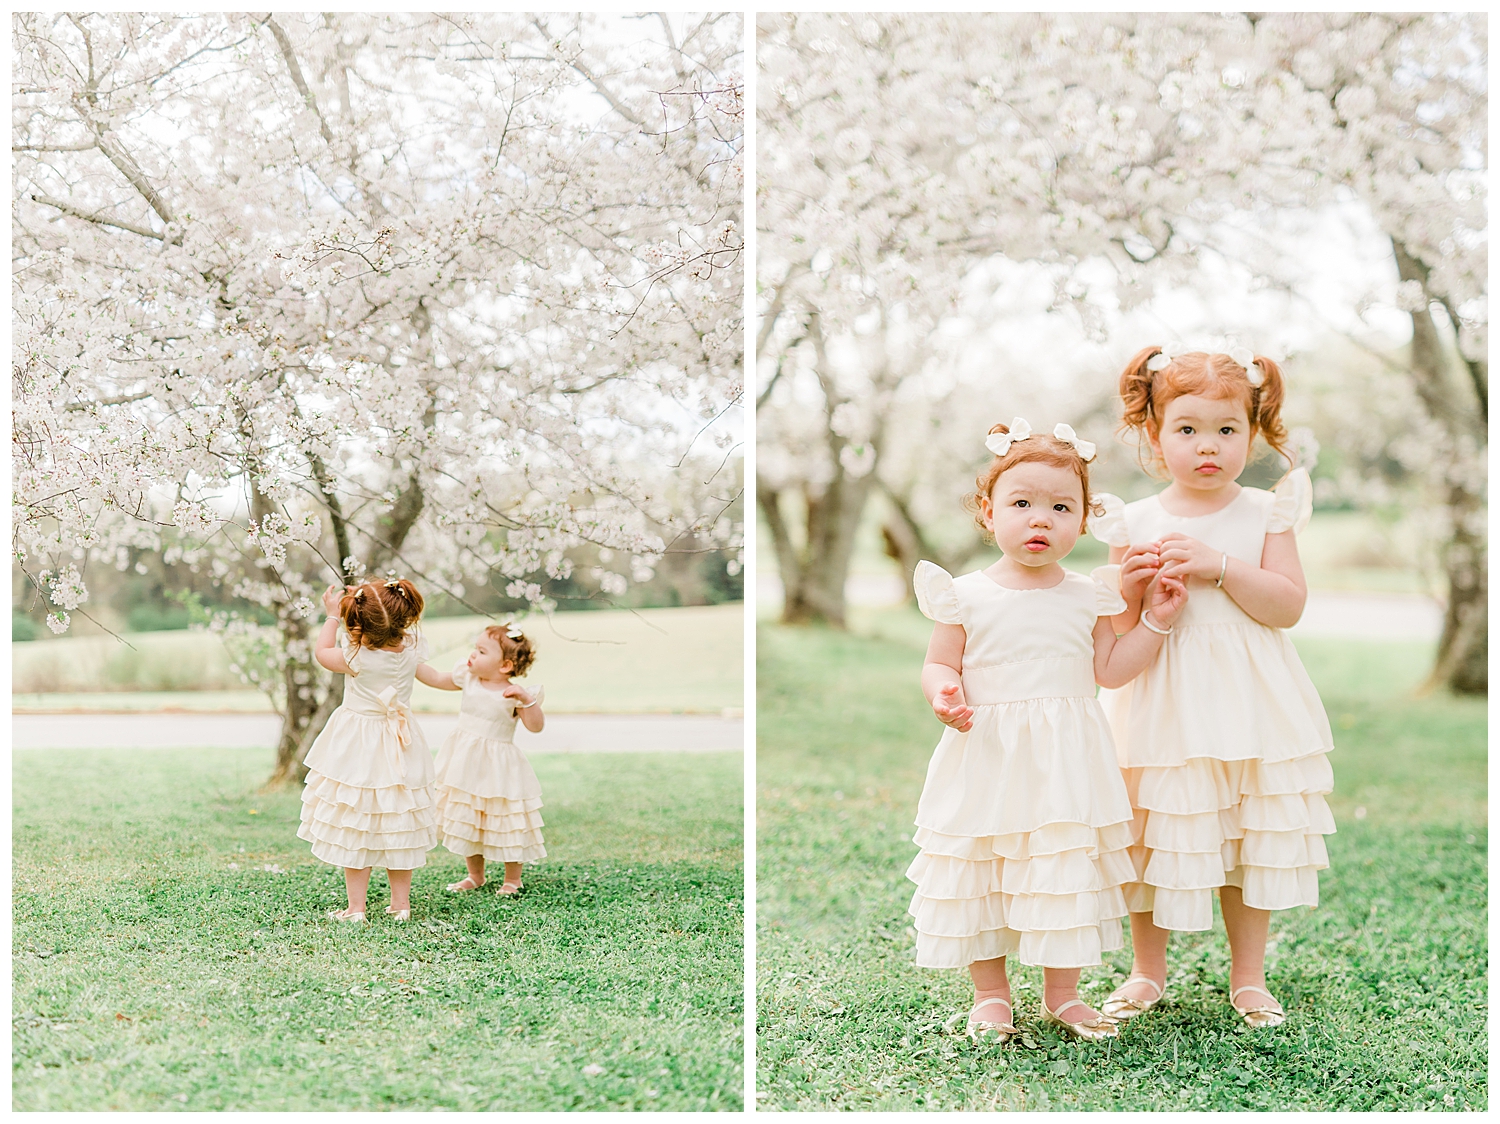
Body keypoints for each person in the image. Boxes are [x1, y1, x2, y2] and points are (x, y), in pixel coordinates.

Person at [909, 418, 1186, 1042]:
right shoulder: (965, 596)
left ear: (1084, 519)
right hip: (988, 751)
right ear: (989, 511)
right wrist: (942, 692)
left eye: (1061, 507)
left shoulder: (1090, 595)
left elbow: (1111, 670)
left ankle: (1063, 995)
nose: (1041, 519)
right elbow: (939, 662)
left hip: (1066, 762)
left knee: (1063, 870)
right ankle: (992, 995)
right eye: (1022, 503)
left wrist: (1158, 623)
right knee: (986, 866)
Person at [1094, 345, 1335, 1029]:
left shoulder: (1266, 513)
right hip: (1159, 694)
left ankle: (1249, 976)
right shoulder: (1132, 522)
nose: (1209, 446)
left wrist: (1218, 564)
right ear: (1155, 434)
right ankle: (1146, 970)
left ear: (1253, 434)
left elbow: (1287, 604)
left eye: (1227, 430)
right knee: (1153, 829)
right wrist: (1136, 587)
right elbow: (1116, 624)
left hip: (1247, 699)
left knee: (1245, 830)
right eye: (1188, 429)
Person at [298, 578, 439, 923]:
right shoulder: (410, 650)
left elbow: (321, 653)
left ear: (358, 623)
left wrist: (332, 615)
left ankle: (356, 908)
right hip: (400, 741)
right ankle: (400, 905)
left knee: (357, 823)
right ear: (405, 618)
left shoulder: (356, 656)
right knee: (398, 823)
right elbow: (433, 673)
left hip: (360, 746)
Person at [424, 623, 547, 897]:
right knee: (470, 818)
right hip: (466, 765)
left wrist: (527, 700)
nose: (473, 655)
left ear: (504, 665)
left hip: (500, 768)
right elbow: (433, 677)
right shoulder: (467, 679)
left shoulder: (513, 694)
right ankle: (475, 875)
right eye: (475, 648)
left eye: (481, 651)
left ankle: (512, 879)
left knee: (505, 818)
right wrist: (407, 660)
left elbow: (536, 726)